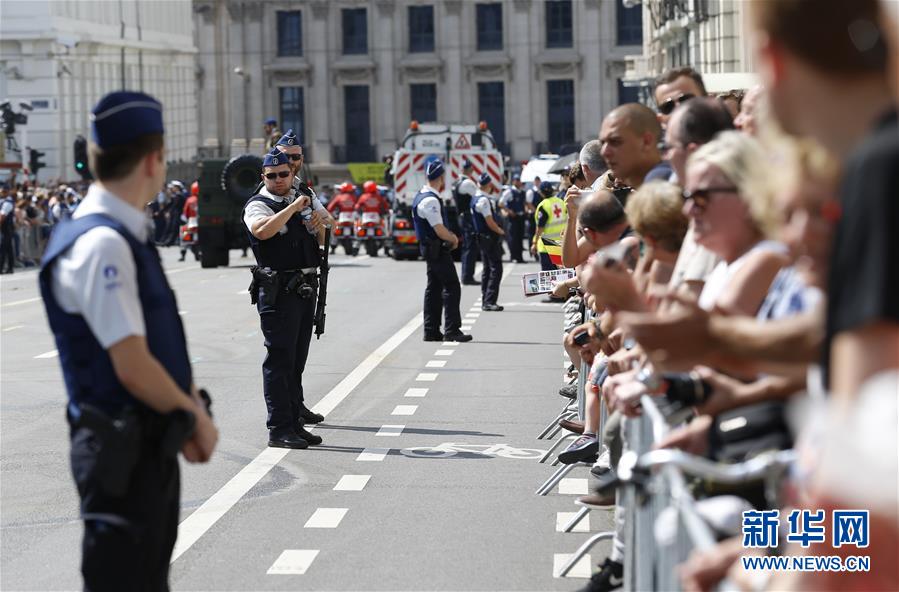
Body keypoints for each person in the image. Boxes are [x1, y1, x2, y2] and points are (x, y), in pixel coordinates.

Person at [37, 91, 218, 590]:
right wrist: (195, 416)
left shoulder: (121, 235)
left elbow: (156, 339)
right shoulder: (104, 244)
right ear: (154, 160)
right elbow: (132, 364)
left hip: (143, 448)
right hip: (122, 455)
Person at [243, 149, 327, 449]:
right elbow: (262, 232)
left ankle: (294, 421)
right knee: (279, 360)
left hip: (304, 286)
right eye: (272, 176)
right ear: (263, 178)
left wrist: (317, 226)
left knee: (296, 360)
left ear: (292, 174)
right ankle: (278, 428)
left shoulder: (299, 200)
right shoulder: (258, 205)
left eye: (284, 174)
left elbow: (325, 234)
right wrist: (292, 210)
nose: (279, 180)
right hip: (279, 291)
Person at [411, 159, 472, 342]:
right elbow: (438, 228)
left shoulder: (422, 195)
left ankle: (431, 330)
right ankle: (452, 329)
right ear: (441, 177)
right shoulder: (430, 200)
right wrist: (453, 238)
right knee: (452, 286)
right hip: (436, 248)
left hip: (431, 249)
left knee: (434, 288)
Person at [471, 172, 505, 311]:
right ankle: (489, 300)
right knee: (496, 268)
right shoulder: (484, 200)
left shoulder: (475, 198)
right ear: (489, 184)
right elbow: (489, 221)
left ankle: (485, 298)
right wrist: (500, 230)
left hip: (482, 237)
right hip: (488, 238)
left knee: (487, 268)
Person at [452, 160, 479, 285]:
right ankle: (467, 276)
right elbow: (478, 197)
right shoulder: (468, 183)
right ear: (470, 170)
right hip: (468, 218)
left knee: (466, 247)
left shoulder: (457, 182)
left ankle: (466, 275)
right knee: (470, 247)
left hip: (462, 217)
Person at [531, 181, 565, 274]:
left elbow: (540, 227)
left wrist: (534, 242)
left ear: (541, 192)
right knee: (559, 274)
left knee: (548, 276)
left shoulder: (543, 205)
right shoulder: (561, 202)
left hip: (546, 245)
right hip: (560, 243)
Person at [499, 174, 525, 263]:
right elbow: (501, 203)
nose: (518, 182)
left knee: (520, 238)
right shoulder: (509, 191)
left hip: (520, 217)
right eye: (516, 180)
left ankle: (520, 257)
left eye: (519, 180)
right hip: (512, 218)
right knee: (512, 238)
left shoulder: (521, 192)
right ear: (513, 181)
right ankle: (513, 257)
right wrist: (509, 211)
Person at [179, 181, 200, 262]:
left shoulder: (189, 200)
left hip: (191, 221)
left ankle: (183, 255)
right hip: (203, 221)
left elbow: (185, 213)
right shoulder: (205, 198)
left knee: (184, 235)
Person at [0, 189, 15, 274]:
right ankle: (10, 267)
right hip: (6, 228)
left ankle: (1, 268)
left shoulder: (7, 203)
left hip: (6, 228)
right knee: (8, 249)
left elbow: (2, 216)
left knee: (3, 249)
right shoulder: (5, 201)